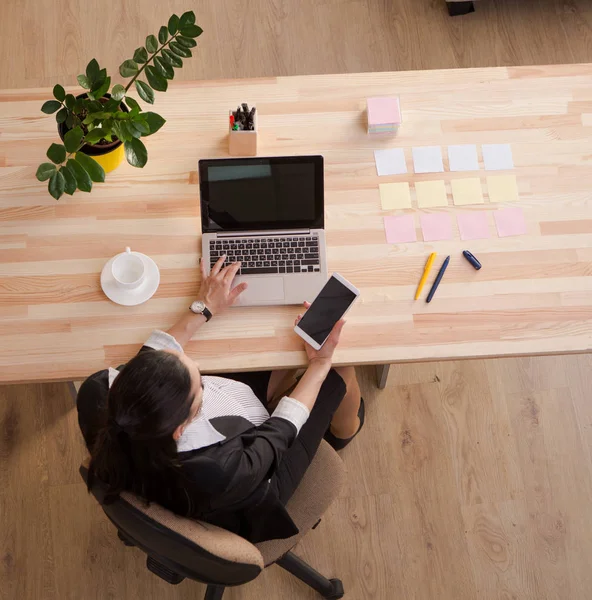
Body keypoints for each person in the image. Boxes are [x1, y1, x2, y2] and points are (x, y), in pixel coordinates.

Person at [77, 256, 364, 544]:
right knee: (341, 369)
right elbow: (280, 430)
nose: (204, 376)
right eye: (200, 385)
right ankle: (343, 432)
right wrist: (321, 363)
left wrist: (204, 307)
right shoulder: (221, 468)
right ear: (181, 427)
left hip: (181, 475)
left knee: (282, 349)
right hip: (256, 488)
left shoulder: (97, 392)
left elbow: (152, 361)